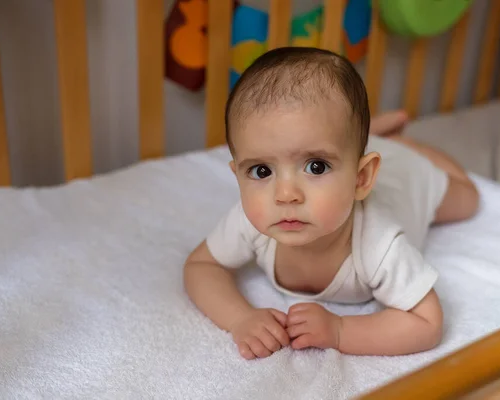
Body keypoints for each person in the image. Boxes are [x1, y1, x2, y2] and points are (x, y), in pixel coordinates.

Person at [183, 47, 479, 360]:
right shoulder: (251, 222)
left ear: (361, 178)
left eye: (316, 166)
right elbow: (201, 266)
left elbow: (427, 322)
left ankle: (405, 145)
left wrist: (340, 330)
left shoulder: (379, 244)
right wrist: (240, 318)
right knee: (346, 143)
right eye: (261, 171)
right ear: (238, 176)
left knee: (469, 199)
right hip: (365, 158)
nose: (285, 195)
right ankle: (374, 136)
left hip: (409, 178)